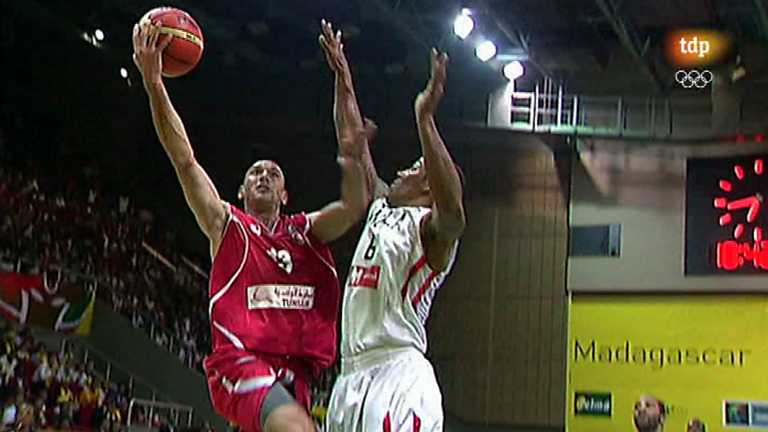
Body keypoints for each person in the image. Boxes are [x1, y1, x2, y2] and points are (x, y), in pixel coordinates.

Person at [132, 20, 369, 432]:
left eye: (272, 174)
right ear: (241, 191)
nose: (263, 176)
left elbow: (353, 205)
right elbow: (184, 160)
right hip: (240, 363)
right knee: (298, 428)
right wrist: (154, 85)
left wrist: (345, 97)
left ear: (285, 195)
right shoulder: (227, 226)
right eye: (255, 172)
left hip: (295, 375)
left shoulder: (305, 232)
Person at [318, 20, 466, 431]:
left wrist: (425, 119)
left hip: (398, 372)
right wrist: (343, 78)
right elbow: (350, 137)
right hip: (350, 376)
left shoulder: (431, 233)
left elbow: (454, 213)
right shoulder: (380, 205)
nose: (402, 170)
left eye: (416, 168)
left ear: (430, 187)